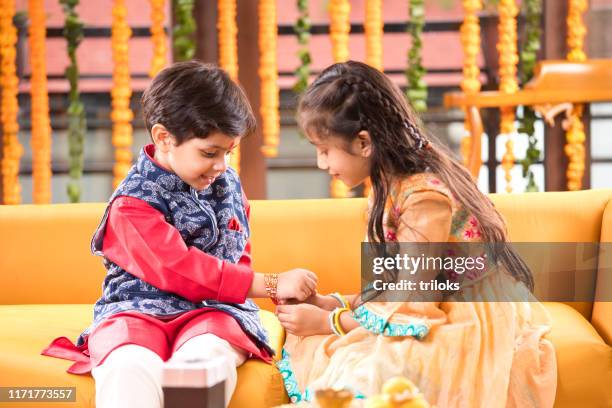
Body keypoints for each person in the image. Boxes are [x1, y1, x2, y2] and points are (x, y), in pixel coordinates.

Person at [275, 60, 556, 407]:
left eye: (325, 151)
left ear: (364, 143)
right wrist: (336, 303)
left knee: (379, 372)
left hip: (458, 318)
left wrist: (329, 321)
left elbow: (414, 304)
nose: (322, 164)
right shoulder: (388, 186)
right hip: (428, 305)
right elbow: (394, 284)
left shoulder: (424, 197)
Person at [42, 61, 317, 408]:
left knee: (202, 365)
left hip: (215, 312)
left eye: (227, 152)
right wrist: (271, 284)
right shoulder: (132, 203)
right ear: (164, 137)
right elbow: (179, 269)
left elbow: (237, 251)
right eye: (209, 153)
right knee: (128, 368)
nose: (221, 165)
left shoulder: (226, 182)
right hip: (136, 311)